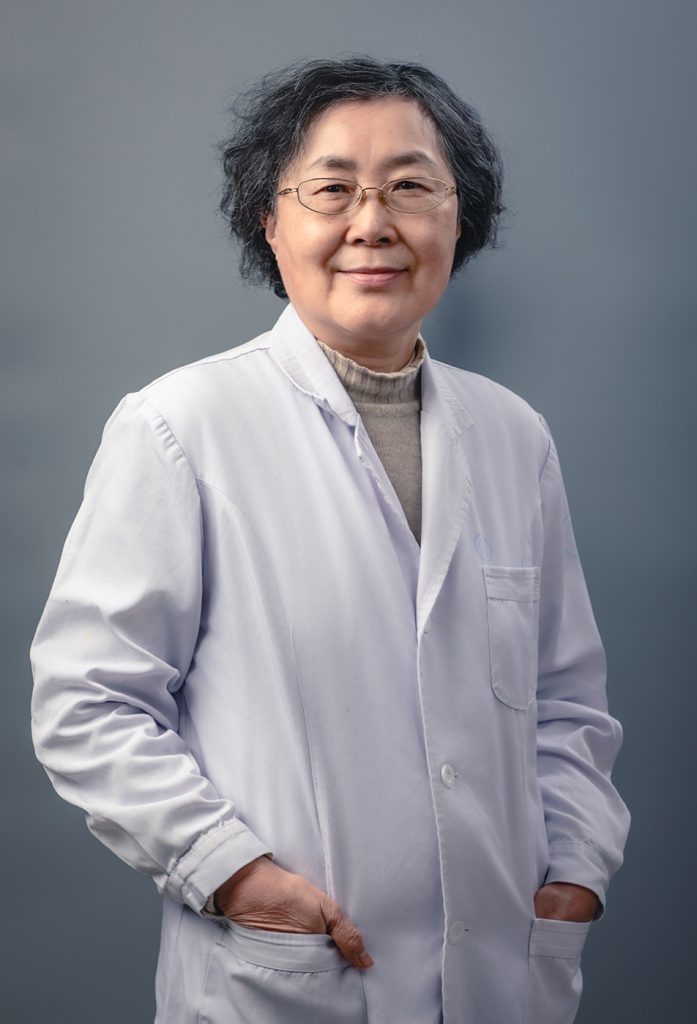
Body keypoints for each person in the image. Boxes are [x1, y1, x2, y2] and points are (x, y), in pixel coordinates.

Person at [30, 56, 630, 1024]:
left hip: (502, 978)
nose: (372, 223)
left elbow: (566, 703)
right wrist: (233, 873)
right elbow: (86, 700)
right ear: (269, 222)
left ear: (458, 219)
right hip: (287, 979)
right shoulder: (181, 425)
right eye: (331, 189)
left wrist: (576, 873)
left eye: (410, 187)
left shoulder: (512, 434)